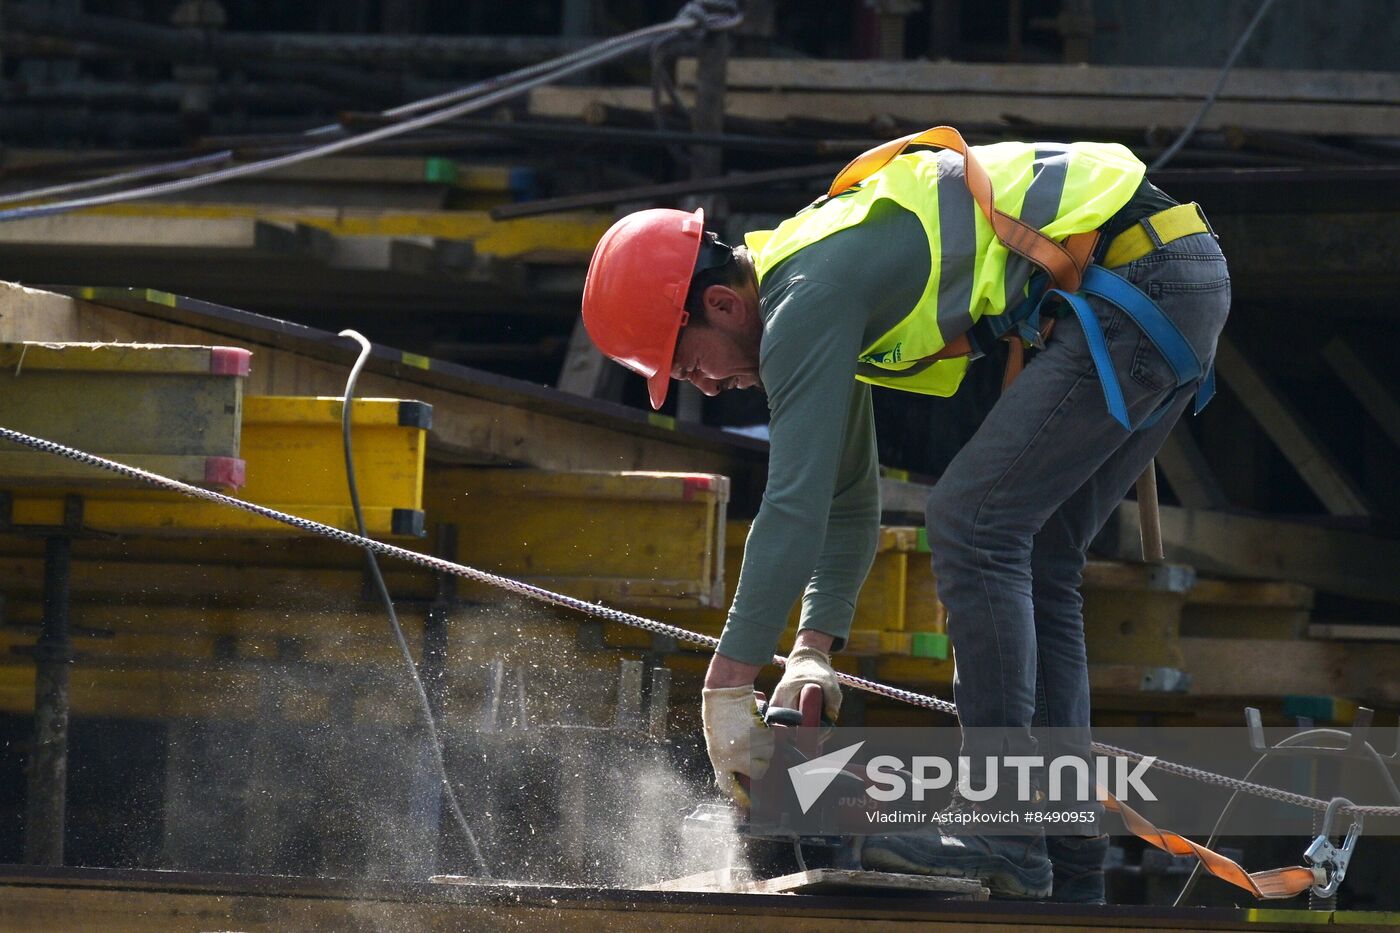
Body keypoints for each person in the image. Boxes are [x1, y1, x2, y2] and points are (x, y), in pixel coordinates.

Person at [579, 130, 1229, 902]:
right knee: (1042, 554)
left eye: (691, 364)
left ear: (721, 303)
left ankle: (1005, 831)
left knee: (971, 523)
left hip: (1140, 281)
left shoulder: (806, 297)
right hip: (1169, 276)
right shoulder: (811, 278)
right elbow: (850, 500)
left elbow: (793, 503)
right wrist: (812, 653)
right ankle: (1063, 853)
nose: (709, 387)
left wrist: (727, 680)